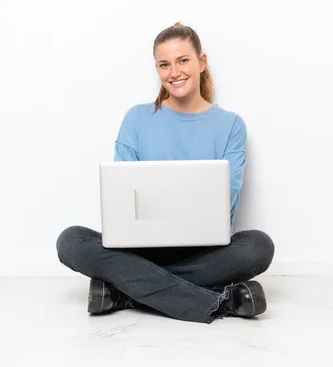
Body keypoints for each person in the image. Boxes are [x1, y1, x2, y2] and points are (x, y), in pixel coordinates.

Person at [56, 22, 275, 324]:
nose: (174, 72)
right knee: (70, 241)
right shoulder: (137, 118)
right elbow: (120, 198)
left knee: (258, 246)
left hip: (204, 252)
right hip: (143, 250)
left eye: (183, 60)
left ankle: (123, 292)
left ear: (201, 62)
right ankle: (222, 301)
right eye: (164, 64)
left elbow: (227, 201)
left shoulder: (230, 125)